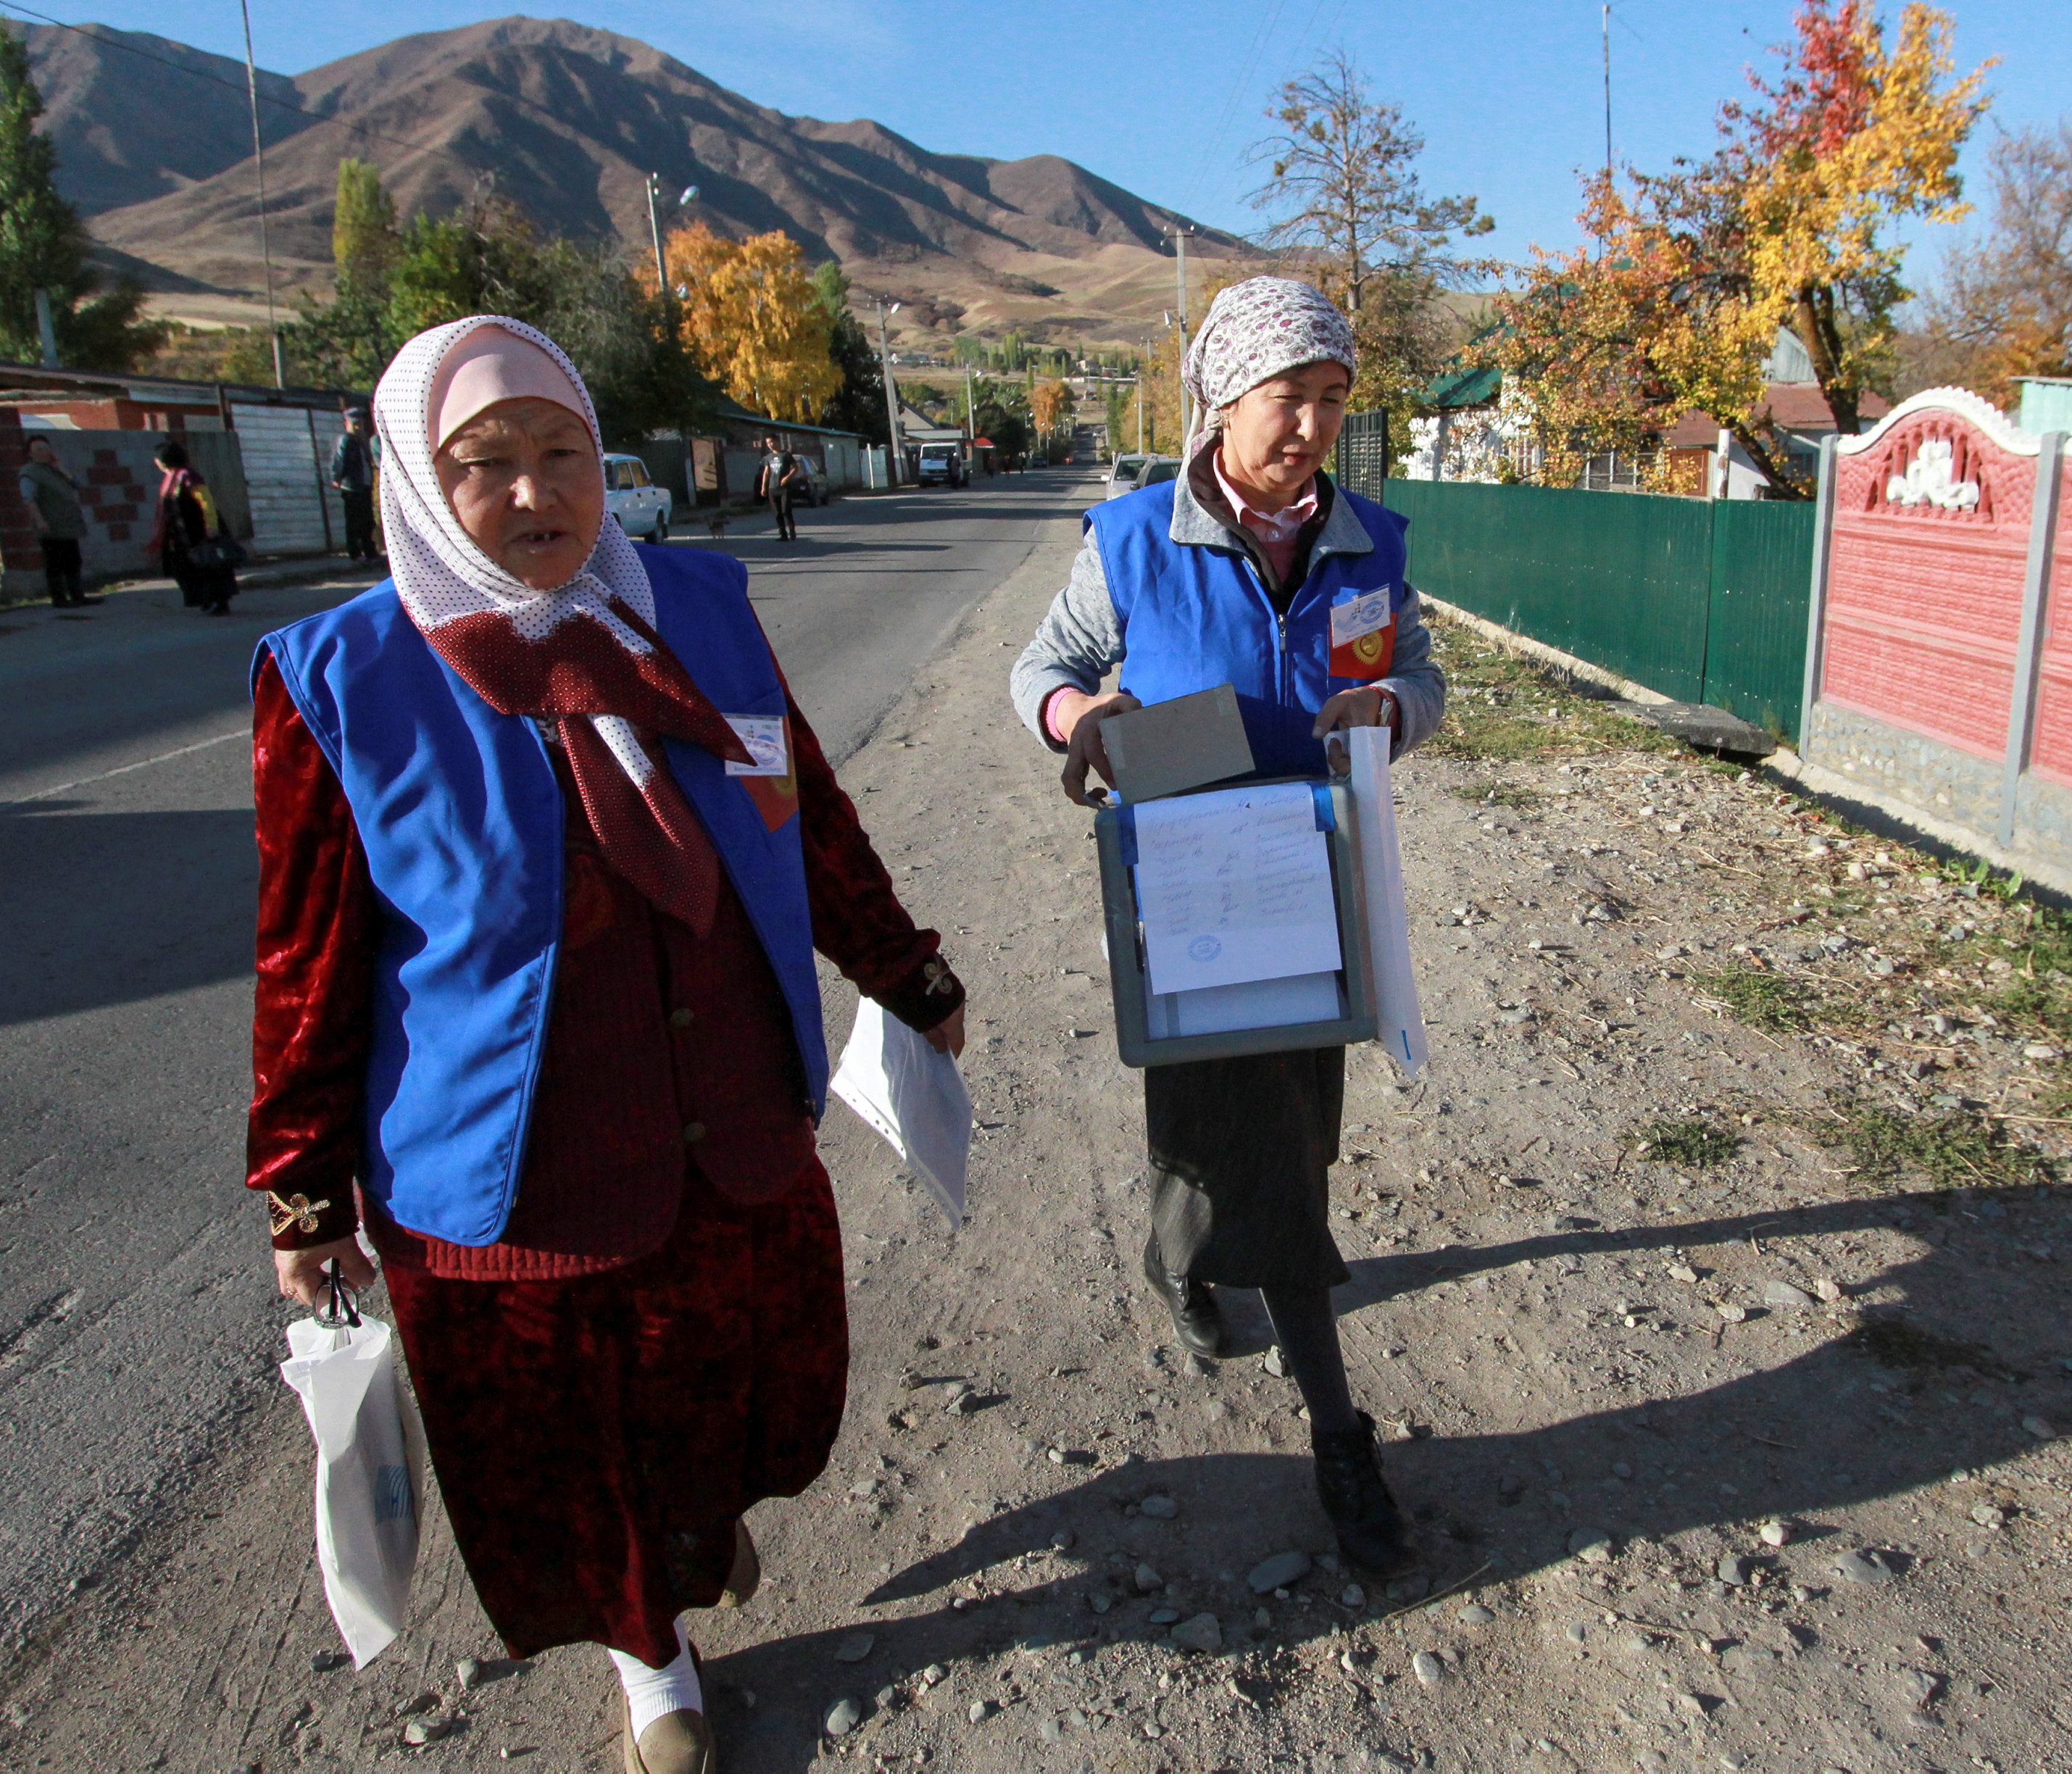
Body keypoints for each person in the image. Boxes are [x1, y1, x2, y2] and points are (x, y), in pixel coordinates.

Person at [248, 316, 968, 1774]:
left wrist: (905, 968)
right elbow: (304, 964)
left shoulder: (695, 612)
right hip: (519, 1171)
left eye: (562, 452)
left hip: (724, 1117)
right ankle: (656, 1656)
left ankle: (689, 1554)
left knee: (726, 1386)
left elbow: (804, 813)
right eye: (484, 465)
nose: (535, 495)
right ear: (406, 478)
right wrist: (301, 1190)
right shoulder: (344, 681)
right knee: (579, 1450)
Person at [1008, 277, 1445, 1577]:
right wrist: (1080, 721)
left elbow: (1418, 675)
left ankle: (1187, 1254)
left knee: (1284, 1129)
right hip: (1189, 888)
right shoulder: (1134, 539)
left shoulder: (1370, 547)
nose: (1308, 425)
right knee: (1270, 1160)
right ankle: (1340, 1428)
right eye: (1283, 398)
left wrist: (1398, 714)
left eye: (1330, 400)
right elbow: (1040, 669)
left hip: (1316, 884)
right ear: (1218, 400)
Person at [156, 439, 236, 615]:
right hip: (183, 535)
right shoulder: (171, 479)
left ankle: (220, 603)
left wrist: (212, 527)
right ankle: (204, 599)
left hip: (200, 532)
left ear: (164, 461)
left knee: (211, 568)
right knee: (187, 569)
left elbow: (206, 501)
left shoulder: (188, 477)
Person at [17, 435, 88, 607]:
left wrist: (61, 469)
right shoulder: (29, 473)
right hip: (50, 526)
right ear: (30, 454)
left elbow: (77, 484)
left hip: (68, 525)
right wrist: (40, 521)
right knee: (55, 563)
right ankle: (59, 599)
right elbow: (29, 499)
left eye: (46, 448)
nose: (45, 452)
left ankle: (78, 596)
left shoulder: (55, 470)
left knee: (73, 560)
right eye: (39, 449)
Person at [330, 407, 378, 561]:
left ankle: (370, 552)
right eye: (354, 424)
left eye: (360, 423)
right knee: (354, 522)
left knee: (367, 521)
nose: (358, 427)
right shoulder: (346, 440)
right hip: (352, 487)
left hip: (364, 485)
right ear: (346, 424)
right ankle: (355, 553)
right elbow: (339, 460)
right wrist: (336, 477)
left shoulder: (362, 440)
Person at [758, 434, 803, 542]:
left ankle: (792, 530)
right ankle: (783, 534)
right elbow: (767, 472)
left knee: (786, 510)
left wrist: (787, 478)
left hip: (784, 488)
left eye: (772, 442)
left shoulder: (786, 455)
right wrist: (764, 487)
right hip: (772, 488)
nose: (770, 445)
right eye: (768, 443)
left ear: (777, 441)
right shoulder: (768, 457)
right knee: (777, 512)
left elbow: (795, 468)